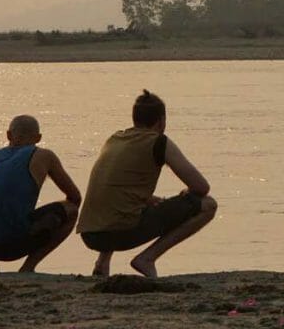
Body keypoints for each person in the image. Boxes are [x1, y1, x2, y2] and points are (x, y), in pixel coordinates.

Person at [76, 90, 217, 278]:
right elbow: (201, 187)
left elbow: (117, 188)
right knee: (207, 205)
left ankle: (102, 263)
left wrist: (147, 199)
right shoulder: (158, 142)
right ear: (161, 121)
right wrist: (186, 194)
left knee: (119, 205)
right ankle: (147, 258)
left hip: (90, 234)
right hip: (120, 233)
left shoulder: (115, 138)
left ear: (134, 119)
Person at [0, 114, 82, 276]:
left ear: (8, 135)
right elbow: (75, 197)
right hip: (11, 244)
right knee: (71, 210)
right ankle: (28, 267)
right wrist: (47, 222)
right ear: (38, 138)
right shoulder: (44, 156)